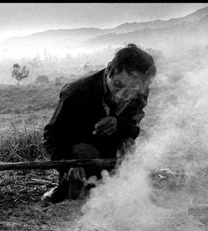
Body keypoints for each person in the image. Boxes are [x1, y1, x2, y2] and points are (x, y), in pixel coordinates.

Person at [41, 43, 156, 204]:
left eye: (131, 90)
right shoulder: (76, 92)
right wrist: (68, 164)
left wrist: (118, 121)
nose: (121, 95)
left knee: (127, 147)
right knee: (85, 153)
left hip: (112, 145)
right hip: (80, 150)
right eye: (118, 85)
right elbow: (51, 137)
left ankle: (116, 187)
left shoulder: (140, 92)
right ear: (109, 70)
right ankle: (66, 186)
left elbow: (132, 128)